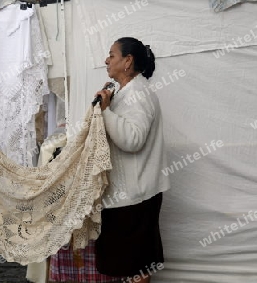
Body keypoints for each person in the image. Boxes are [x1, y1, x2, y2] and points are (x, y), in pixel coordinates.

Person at [92, 37, 170, 283]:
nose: (106, 60)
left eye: (112, 55)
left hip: (135, 196)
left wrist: (105, 111)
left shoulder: (139, 93)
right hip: (128, 194)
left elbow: (133, 140)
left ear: (128, 61)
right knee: (130, 265)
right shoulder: (127, 92)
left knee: (136, 266)